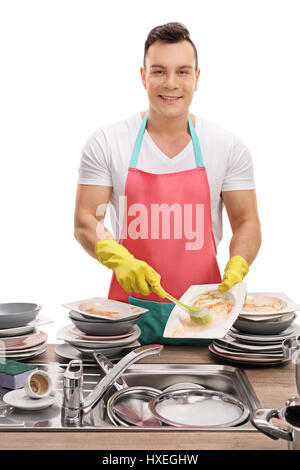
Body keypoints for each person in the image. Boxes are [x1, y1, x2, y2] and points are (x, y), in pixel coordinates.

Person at [74, 22, 262, 345]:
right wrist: (117, 257)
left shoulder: (227, 146)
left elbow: (246, 222)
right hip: (127, 326)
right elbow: (86, 220)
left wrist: (238, 263)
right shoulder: (107, 142)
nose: (171, 83)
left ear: (197, 78)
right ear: (143, 75)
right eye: (159, 71)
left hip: (206, 318)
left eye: (182, 72)